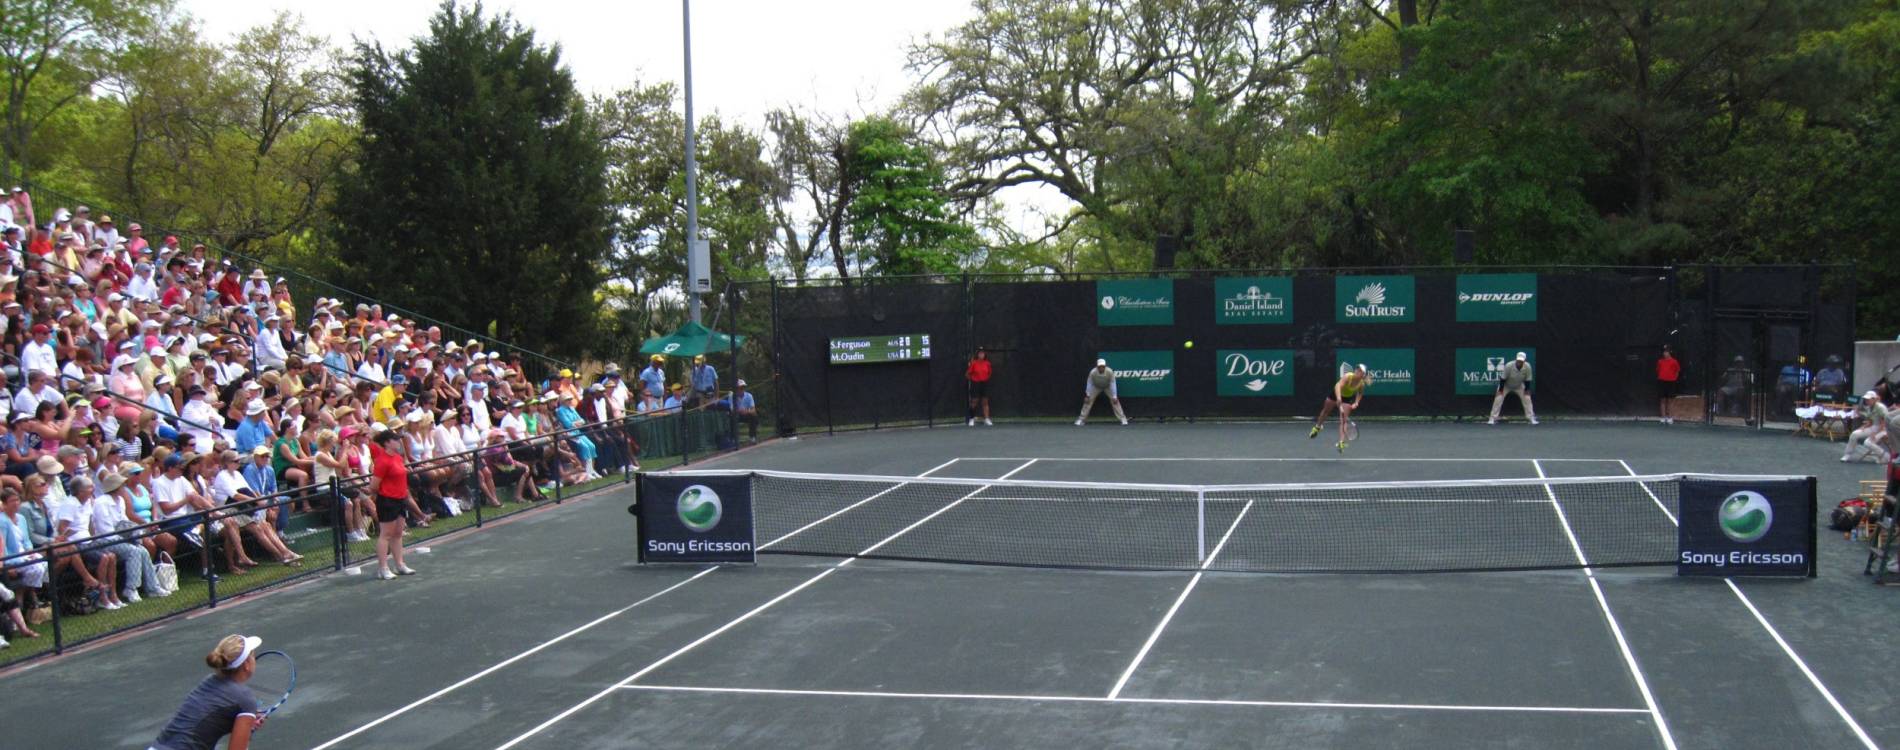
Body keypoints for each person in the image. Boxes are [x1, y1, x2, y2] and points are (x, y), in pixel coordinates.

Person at [150, 634, 267, 750]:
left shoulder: (209, 681)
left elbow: (208, 721)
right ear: (247, 664)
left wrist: (244, 724)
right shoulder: (245, 699)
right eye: (252, 655)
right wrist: (246, 727)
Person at [368, 430, 417, 580]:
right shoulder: (382, 461)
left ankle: (400, 564)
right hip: (387, 500)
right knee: (386, 534)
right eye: (396, 440)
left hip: (400, 499)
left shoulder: (397, 457)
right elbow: (374, 485)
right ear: (388, 442)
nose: (399, 442)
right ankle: (383, 568)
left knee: (397, 533)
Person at [1310, 364, 1369, 452]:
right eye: (1357, 368)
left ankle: (1341, 442)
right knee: (1325, 411)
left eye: (1360, 370)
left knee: (1343, 420)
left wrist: (1356, 402)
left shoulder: (1361, 384)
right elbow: (1338, 386)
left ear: (1363, 374)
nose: (1357, 370)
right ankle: (1317, 427)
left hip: (1347, 399)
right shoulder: (1348, 376)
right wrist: (1338, 398)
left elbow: (1360, 393)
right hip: (1335, 394)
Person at [1075, 359, 1128, 426]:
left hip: (1107, 386)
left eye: (1103, 366)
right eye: (1100, 366)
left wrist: (1114, 396)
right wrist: (1088, 395)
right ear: (1097, 367)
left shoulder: (1110, 372)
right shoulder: (1092, 372)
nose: (1101, 368)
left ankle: (1123, 419)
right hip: (1096, 387)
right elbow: (1089, 383)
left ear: (1105, 366)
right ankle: (1081, 419)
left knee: (1115, 401)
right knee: (1088, 401)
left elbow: (1113, 383)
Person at [1488, 352, 1537, 425]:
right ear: (1516, 359)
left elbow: (1528, 379)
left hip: (1519, 385)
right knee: (1498, 398)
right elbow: (1503, 379)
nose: (1519, 362)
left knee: (1527, 398)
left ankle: (1531, 418)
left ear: (1524, 360)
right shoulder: (1509, 365)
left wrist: (1527, 390)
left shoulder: (1527, 366)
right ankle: (1492, 418)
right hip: (1506, 385)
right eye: (1518, 360)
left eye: (1521, 361)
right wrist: (1500, 390)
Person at [1844, 391, 1889, 464]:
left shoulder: (1881, 407)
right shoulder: (1869, 408)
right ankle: (1847, 454)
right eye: (1866, 399)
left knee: (1867, 442)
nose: (1866, 401)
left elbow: (1884, 422)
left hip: (1884, 429)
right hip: (1874, 427)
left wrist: (1875, 433)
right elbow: (1870, 421)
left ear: (1874, 399)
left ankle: (1886, 457)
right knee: (1854, 434)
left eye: (1868, 399)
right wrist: (1863, 427)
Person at [966, 349, 992, 427]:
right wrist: (973, 380)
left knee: (985, 402)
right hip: (975, 384)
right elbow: (967, 374)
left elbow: (989, 373)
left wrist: (985, 379)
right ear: (977, 355)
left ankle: (986, 419)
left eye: (983, 353)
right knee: (974, 401)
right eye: (980, 353)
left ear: (985, 355)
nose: (981, 355)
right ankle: (971, 419)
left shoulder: (987, 363)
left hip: (984, 384)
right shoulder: (974, 363)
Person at [1656, 345, 1680, 424]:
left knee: (1670, 401)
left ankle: (1670, 417)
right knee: (1662, 400)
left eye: (1666, 352)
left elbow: (1677, 371)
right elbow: (1658, 370)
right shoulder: (1660, 361)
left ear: (1670, 353)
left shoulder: (1674, 361)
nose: (1665, 353)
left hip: (1671, 383)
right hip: (1662, 382)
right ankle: (1663, 417)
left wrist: (1674, 378)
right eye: (1664, 352)